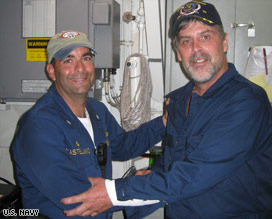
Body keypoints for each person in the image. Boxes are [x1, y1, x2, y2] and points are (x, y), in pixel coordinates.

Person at [62, 1, 272, 218]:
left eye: (205, 37)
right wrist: (146, 177)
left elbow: (194, 174)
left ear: (224, 42)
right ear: (177, 52)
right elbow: (173, 161)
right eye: (186, 41)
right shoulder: (178, 102)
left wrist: (113, 192)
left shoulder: (246, 102)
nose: (196, 50)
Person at [12, 30, 167, 218]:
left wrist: (164, 122)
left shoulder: (97, 111)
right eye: (68, 60)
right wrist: (135, 187)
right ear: (51, 71)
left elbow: (123, 146)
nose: (80, 69)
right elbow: (78, 197)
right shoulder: (38, 126)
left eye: (86, 58)